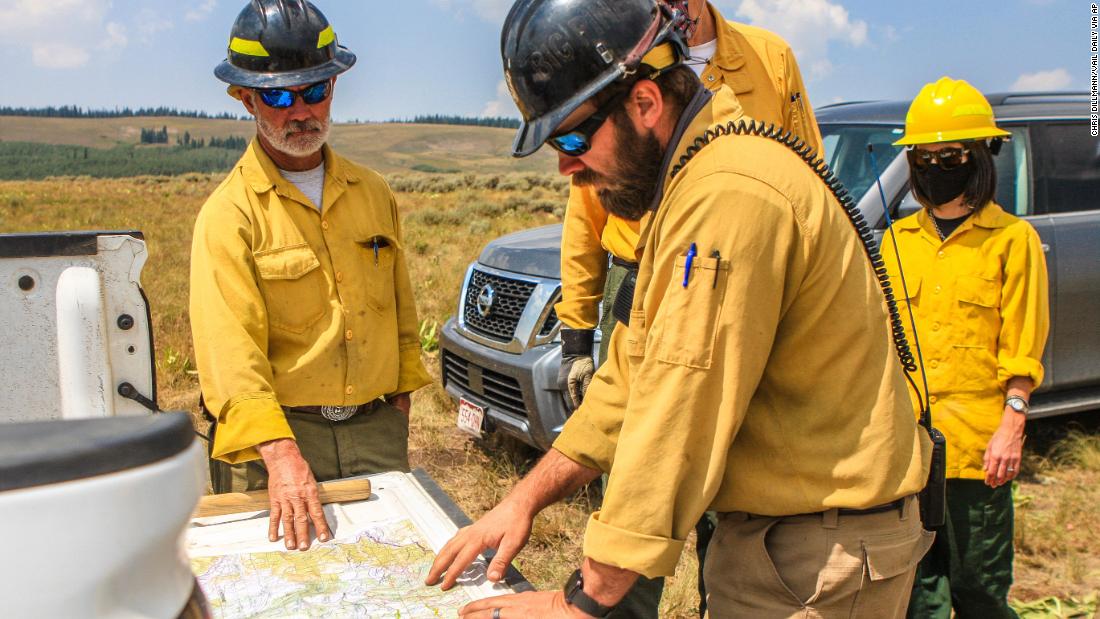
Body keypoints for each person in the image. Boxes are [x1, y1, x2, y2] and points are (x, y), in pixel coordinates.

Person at [428, 1, 932, 616]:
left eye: (571, 136)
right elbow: (631, 372)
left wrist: (582, 604)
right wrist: (522, 501)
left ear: (644, 104)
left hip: (818, 558)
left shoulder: (727, 195)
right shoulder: (696, 179)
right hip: (792, 538)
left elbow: (678, 400)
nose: (564, 165)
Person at [553, 2, 823, 615]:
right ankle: (630, 597)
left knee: (715, 465)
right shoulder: (613, 51)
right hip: (644, 273)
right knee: (638, 464)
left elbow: (807, 172)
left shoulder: (768, 59)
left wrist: (580, 604)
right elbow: (584, 212)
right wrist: (577, 336)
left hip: (744, 276)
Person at [189, 0, 431, 552]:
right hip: (275, 449)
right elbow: (230, 359)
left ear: (334, 85)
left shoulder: (372, 193)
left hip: (375, 432)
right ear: (245, 98)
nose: (299, 110)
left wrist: (396, 411)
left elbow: (401, 317)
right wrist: (281, 456)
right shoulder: (229, 216)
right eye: (276, 96)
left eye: (313, 90)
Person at [881, 77, 1050, 619]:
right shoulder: (895, 242)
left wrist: (1012, 424)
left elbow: (1023, 347)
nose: (934, 166)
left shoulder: (1011, 240)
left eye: (949, 155)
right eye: (923, 156)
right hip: (907, 455)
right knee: (917, 597)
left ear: (980, 156)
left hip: (978, 454)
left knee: (978, 592)